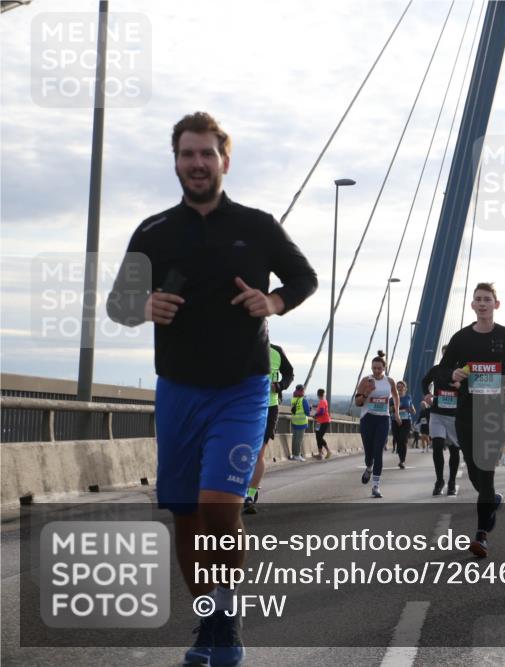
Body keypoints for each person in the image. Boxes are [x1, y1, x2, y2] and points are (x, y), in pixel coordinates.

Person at [106, 111, 318, 667]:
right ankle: (211, 622)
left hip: (242, 389)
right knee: (183, 513)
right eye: (186, 154)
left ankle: (227, 618)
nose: (197, 164)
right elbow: (117, 303)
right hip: (177, 389)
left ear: (226, 159)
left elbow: (304, 278)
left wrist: (272, 302)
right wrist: (142, 305)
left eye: (207, 154)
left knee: (219, 506)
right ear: (176, 160)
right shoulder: (154, 231)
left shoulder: (258, 225)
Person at [438, 282, 505, 557]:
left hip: (495, 412)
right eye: (478, 299)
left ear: (496, 305)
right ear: (472, 305)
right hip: (466, 411)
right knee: (475, 470)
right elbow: (442, 369)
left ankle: (481, 535)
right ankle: (492, 500)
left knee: (486, 470)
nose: (482, 303)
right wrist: (453, 375)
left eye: (487, 299)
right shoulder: (461, 338)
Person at [244, 340, 292, 514]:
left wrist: (279, 386)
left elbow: (289, 374)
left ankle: (250, 495)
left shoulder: (276, 351)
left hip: (270, 408)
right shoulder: (243, 347)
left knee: (259, 453)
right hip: (246, 407)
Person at [354, 351, 401, 498]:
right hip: (368, 419)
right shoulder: (365, 381)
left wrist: (397, 413)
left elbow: (396, 396)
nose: (376, 370)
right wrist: (367, 392)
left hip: (383, 419)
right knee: (369, 454)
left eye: (379, 368)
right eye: (374, 368)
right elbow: (358, 402)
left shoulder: (390, 381)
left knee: (378, 451)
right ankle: (368, 467)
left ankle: (375, 486)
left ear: (384, 368)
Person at [422, 345, 462, 496]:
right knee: (437, 446)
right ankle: (439, 481)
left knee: (454, 450)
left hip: (454, 416)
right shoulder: (436, 370)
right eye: (445, 354)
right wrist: (426, 394)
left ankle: (452, 482)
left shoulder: (462, 372)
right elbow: (424, 381)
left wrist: (460, 386)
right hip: (437, 414)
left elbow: (472, 388)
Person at [392, 380, 416, 468]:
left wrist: (411, 410)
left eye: (401, 387)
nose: (399, 388)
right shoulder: (392, 398)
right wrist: (395, 410)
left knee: (403, 439)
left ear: (405, 388)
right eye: (398, 387)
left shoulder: (408, 397)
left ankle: (402, 461)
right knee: (398, 440)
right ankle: (400, 458)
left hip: (406, 421)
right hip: (395, 421)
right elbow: (389, 410)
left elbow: (413, 410)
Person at [288, 385, 310, 462]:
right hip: (301, 422)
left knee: (294, 439)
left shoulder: (293, 399)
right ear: (302, 391)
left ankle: (294, 455)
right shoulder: (303, 400)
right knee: (299, 440)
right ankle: (297, 455)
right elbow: (307, 412)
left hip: (294, 421)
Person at [312, 388, 332, 460]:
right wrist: (313, 406)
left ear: (317, 394)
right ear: (323, 394)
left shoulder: (322, 402)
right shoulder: (323, 401)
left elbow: (322, 412)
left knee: (319, 437)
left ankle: (328, 451)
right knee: (318, 437)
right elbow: (319, 407)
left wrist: (315, 415)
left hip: (324, 422)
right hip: (319, 422)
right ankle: (320, 454)